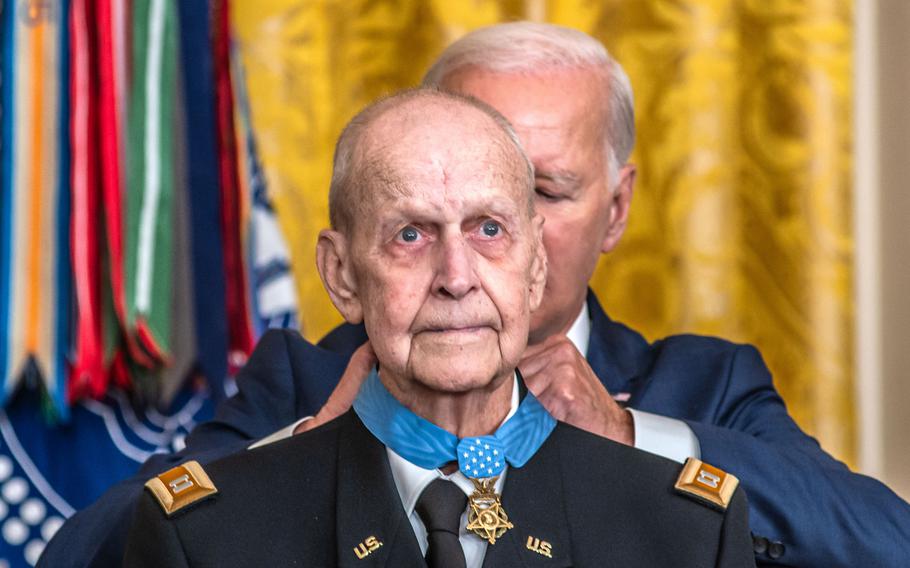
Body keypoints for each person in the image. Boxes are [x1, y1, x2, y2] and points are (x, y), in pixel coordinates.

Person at [41, 22, 910, 568]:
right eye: (418, 220)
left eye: (523, 204)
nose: (461, 267)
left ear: (615, 210)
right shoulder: (306, 378)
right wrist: (303, 449)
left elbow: (884, 544)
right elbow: (90, 552)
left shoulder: (705, 386)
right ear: (345, 266)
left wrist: (633, 439)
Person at [122, 88, 754, 567]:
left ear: (534, 266)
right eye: (410, 234)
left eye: (488, 230)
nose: (457, 276)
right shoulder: (209, 538)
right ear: (341, 276)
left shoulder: (686, 532)